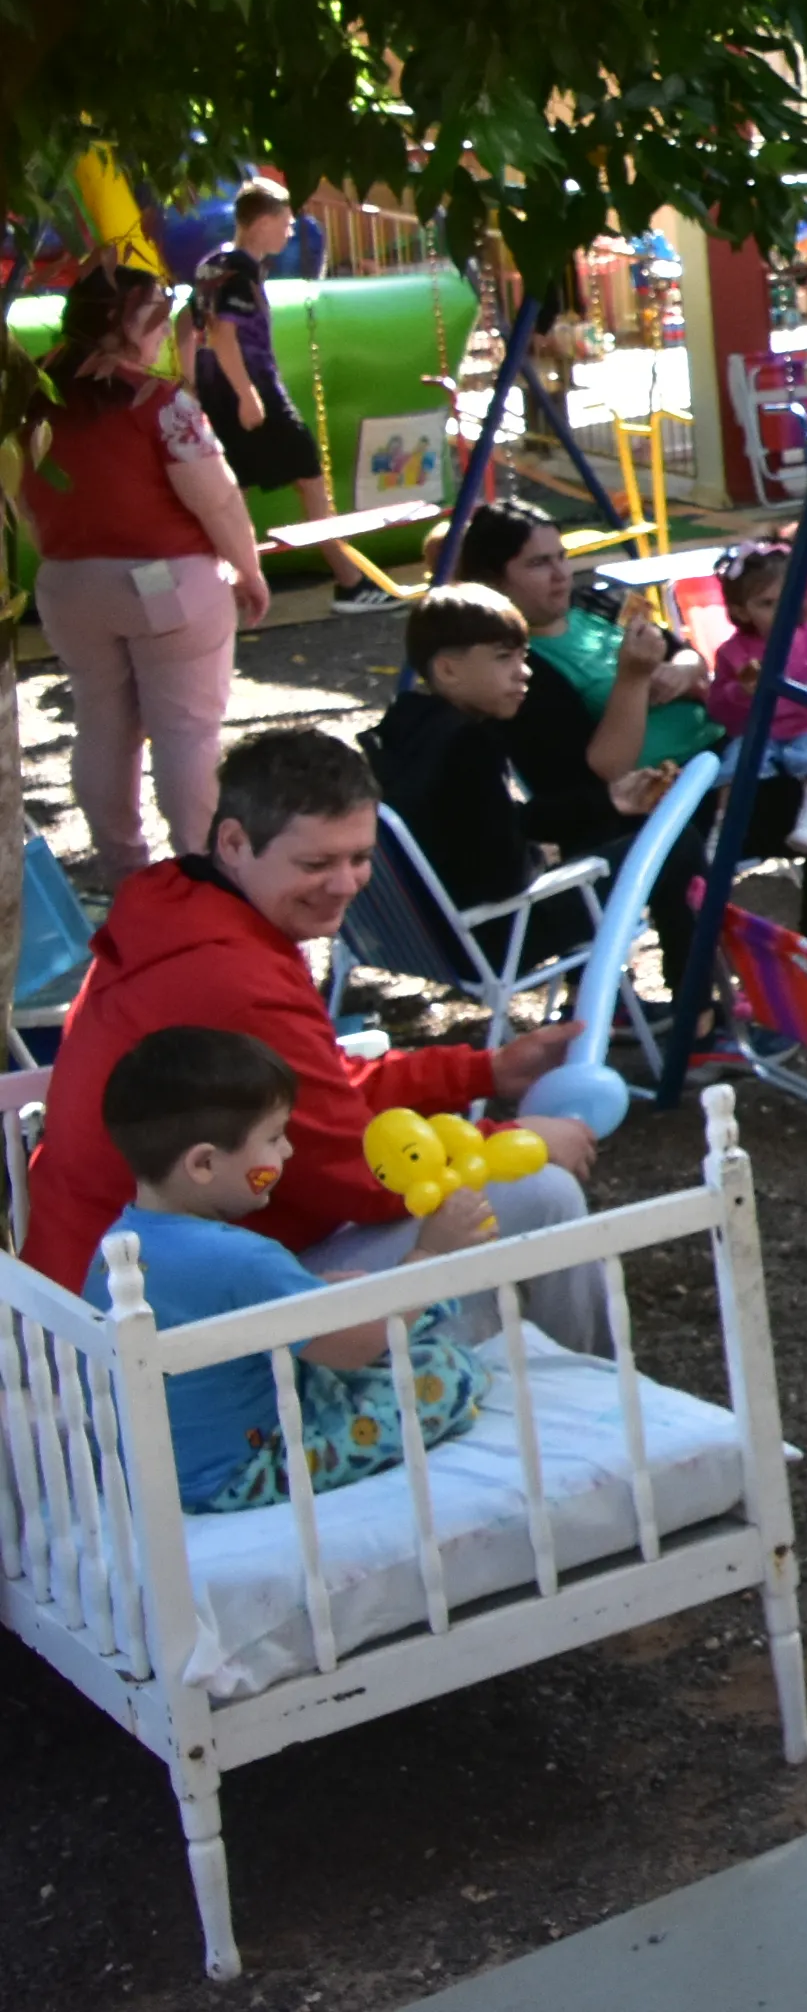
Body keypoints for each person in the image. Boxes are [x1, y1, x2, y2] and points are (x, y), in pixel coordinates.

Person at [14, 728, 609, 1348]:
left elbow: (318, 1086)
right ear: (235, 843)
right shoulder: (231, 974)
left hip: (107, 1274)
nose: (347, 883)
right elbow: (356, 1173)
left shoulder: (185, 906)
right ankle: (604, 1406)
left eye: (359, 856)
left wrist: (485, 1072)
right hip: (145, 1321)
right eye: (317, 863)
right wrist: (514, 1142)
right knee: (539, 1192)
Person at [450, 501, 807, 988]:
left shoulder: (591, 612)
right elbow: (600, 772)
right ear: (496, 582)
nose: (561, 574)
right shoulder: (522, 668)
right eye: (538, 563)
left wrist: (686, 669)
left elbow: (690, 654)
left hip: (733, 746)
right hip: (681, 796)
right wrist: (632, 679)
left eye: (560, 556)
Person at [80, 1028, 491, 1513]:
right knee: (446, 1369)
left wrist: (316, 1292)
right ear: (205, 1163)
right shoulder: (243, 1258)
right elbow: (353, 1348)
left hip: (149, 1467)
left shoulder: (118, 1245)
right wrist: (429, 1256)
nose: (288, 1152)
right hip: (239, 1472)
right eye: (274, 1138)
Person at [21, 261, 268, 876]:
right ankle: (201, 871)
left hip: (68, 582)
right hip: (167, 583)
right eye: (154, 314)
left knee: (102, 722)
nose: (164, 327)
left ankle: (125, 871)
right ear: (123, 324)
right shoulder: (160, 404)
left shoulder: (26, 402)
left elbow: (24, 503)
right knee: (186, 734)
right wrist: (249, 568)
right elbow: (216, 498)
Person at [367, 583, 609, 947]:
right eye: (503, 657)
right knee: (671, 849)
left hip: (417, 936)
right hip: (489, 937)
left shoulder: (403, 728)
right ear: (448, 670)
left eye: (523, 657)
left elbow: (480, 823)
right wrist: (538, 857)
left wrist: (608, 802)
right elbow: (504, 879)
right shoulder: (468, 744)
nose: (523, 672)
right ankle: (692, 1002)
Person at [187, 181, 388, 614]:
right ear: (262, 222)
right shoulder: (238, 271)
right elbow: (223, 334)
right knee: (309, 479)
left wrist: (190, 385)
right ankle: (350, 581)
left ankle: (228, 591)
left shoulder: (212, 263)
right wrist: (247, 395)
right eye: (285, 221)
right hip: (251, 384)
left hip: (215, 388)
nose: (292, 230)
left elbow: (188, 329)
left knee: (232, 489)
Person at [708, 540, 807, 854]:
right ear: (741, 611)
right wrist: (741, 691)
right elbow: (717, 708)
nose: (782, 610)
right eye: (767, 604)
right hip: (759, 732)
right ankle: (724, 830)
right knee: (733, 772)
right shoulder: (734, 652)